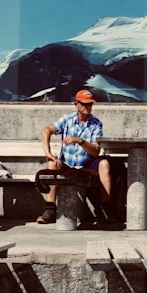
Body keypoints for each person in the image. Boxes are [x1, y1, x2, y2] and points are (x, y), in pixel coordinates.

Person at [37, 88, 113, 224]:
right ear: (76, 104)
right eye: (84, 104)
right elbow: (45, 131)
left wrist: (80, 141)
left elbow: (95, 151)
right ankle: (50, 209)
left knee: (104, 164)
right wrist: (49, 154)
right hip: (67, 164)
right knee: (51, 164)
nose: (87, 107)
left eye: (90, 104)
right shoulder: (67, 119)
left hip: (86, 164)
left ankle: (106, 207)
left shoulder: (96, 124)